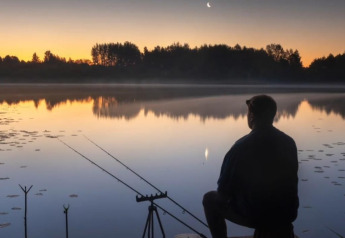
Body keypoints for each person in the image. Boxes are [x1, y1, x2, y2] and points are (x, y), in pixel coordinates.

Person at [203, 95, 299, 238]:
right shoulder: (289, 142)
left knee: (210, 199)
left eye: (248, 113)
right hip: (287, 214)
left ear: (252, 116)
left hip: (260, 216)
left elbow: (223, 194)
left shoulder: (241, 147)